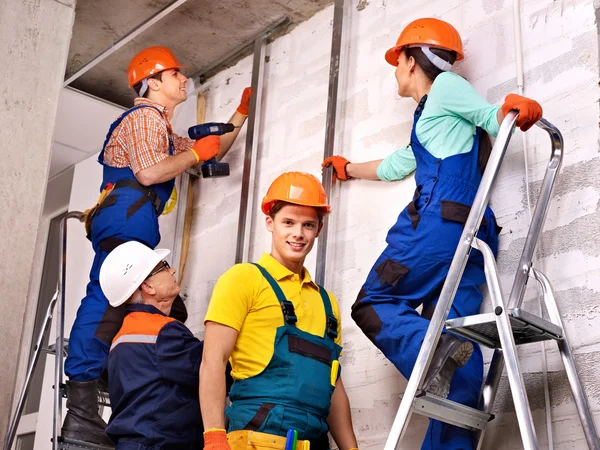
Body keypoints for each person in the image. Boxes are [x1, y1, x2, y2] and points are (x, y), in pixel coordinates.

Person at [322, 18, 542, 450]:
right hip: (474, 234)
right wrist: (348, 170)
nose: (394, 70)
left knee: (373, 303)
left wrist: (513, 110)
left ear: (410, 60)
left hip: (439, 225)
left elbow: (491, 119)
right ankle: (450, 396)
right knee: (459, 336)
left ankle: (438, 357)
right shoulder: (431, 121)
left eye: (397, 61)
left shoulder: (444, 89)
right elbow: (397, 164)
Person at [62, 45, 251, 445]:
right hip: (126, 210)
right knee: (107, 296)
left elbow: (206, 155)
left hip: (135, 215)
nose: (184, 79)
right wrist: (196, 151)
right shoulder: (145, 116)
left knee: (139, 302)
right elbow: (149, 173)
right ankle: (80, 412)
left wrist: (238, 116)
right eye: (175, 74)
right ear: (152, 83)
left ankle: (128, 387)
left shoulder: (163, 132)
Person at [200, 172, 359, 450]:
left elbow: (334, 386)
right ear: (270, 223)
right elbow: (213, 360)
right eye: (288, 222)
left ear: (318, 229)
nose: (298, 234)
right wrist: (214, 437)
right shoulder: (243, 278)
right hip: (255, 439)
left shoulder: (327, 302)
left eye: (308, 225)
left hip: (315, 443)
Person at [99, 241, 204, 449]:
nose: (172, 269)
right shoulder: (162, 331)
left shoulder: (122, 337)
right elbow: (210, 368)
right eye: (163, 266)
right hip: (160, 444)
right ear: (147, 287)